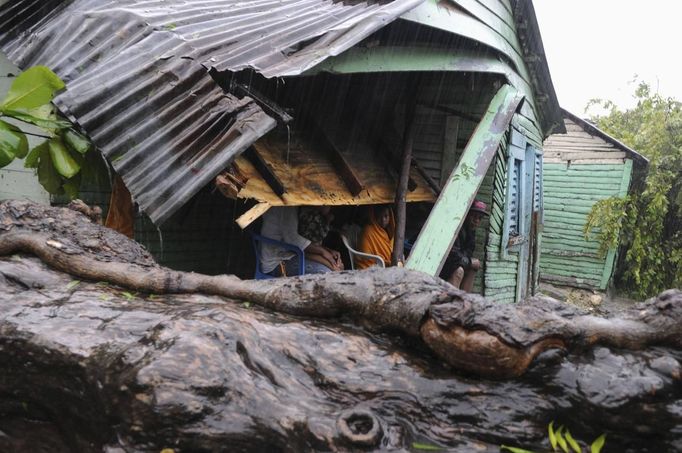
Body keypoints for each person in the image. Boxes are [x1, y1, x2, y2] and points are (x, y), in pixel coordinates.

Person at [259, 206, 341, 277]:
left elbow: (303, 246)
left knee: (336, 268)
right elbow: (296, 242)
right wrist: (324, 253)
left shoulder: (296, 208)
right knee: (327, 274)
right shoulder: (285, 208)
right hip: (276, 263)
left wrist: (328, 252)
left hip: (291, 253)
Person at [440, 200, 489, 291]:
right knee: (459, 271)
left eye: (479, 218)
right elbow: (452, 254)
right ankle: (451, 303)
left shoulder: (470, 232)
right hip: (442, 265)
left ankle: (465, 300)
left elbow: (468, 253)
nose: (476, 220)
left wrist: (470, 262)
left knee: (473, 268)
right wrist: (470, 262)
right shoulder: (457, 228)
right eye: (474, 216)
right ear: (467, 214)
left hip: (455, 263)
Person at [298, 206, 344, 272]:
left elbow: (316, 245)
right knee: (329, 271)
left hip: (311, 253)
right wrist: (329, 262)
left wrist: (329, 251)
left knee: (340, 267)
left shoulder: (322, 217)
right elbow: (302, 249)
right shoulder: (308, 216)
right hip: (296, 254)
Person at [356, 205, 395, 269]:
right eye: (379, 216)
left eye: (386, 216)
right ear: (374, 216)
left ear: (390, 217)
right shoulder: (368, 231)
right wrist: (387, 262)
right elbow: (365, 257)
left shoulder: (384, 232)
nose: (383, 220)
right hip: (369, 267)